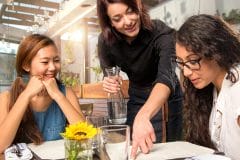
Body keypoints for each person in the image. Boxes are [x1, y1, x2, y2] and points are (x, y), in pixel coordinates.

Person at [97, 0, 183, 158]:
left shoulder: (161, 33)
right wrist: (109, 81)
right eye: (117, 18)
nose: (128, 21)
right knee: (136, 147)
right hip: (136, 96)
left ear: (138, 5)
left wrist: (143, 116)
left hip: (166, 97)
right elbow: (108, 72)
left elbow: (167, 77)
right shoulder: (105, 41)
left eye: (130, 11)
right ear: (109, 22)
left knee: (168, 151)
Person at [0, 34, 85, 153]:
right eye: (45, 62)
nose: (52, 67)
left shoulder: (66, 93)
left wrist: (58, 95)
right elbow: (0, 146)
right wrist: (26, 95)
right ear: (26, 65)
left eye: (56, 61)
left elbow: (85, 135)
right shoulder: (7, 98)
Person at [175, 14, 240, 160]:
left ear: (216, 52)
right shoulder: (212, 90)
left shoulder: (237, 91)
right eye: (180, 62)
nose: (185, 72)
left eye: (192, 61)